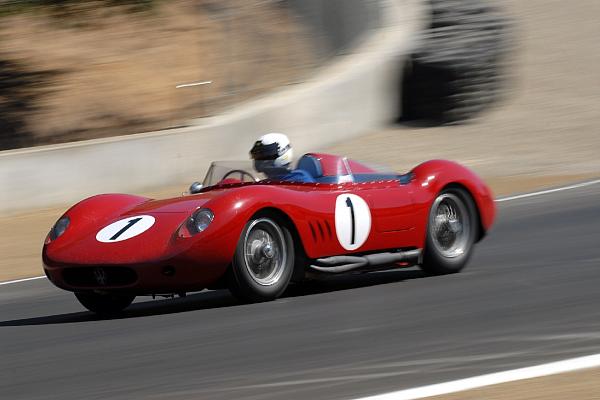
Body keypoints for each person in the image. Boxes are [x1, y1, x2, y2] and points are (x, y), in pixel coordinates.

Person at [249, 133, 315, 183]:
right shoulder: (266, 183)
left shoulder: (300, 180)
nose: (260, 161)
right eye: (258, 156)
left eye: (264, 157)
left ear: (283, 152)